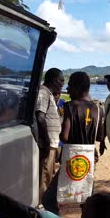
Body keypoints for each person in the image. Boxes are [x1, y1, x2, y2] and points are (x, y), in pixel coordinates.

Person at [36, 68, 64, 202]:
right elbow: (40, 118)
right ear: (54, 80)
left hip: (53, 143)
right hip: (48, 143)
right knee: (44, 175)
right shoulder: (43, 93)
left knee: (48, 174)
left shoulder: (49, 94)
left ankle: (45, 202)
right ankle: (42, 204)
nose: (63, 84)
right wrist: (46, 142)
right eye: (61, 80)